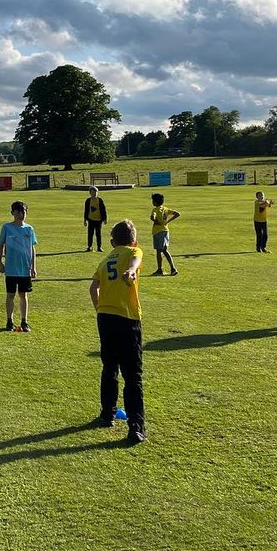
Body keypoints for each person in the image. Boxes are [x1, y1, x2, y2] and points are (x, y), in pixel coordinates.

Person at [89, 219, 146, 445]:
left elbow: (93, 287)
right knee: (133, 374)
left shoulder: (106, 259)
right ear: (133, 239)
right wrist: (131, 271)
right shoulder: (133, 251)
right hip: (126, 317)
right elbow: (135, 260)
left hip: (105, 317)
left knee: (109, 366)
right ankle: (136, 427)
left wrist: (100, 309)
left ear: (113, 241)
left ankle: (107, 414)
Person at [0, 200, 38, 332]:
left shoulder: (29, 229)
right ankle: (9, 321)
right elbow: (0, 245)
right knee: (10, 294)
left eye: (23, 212)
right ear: (12, 213)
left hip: (24, 269)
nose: (21, 214)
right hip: (11, 268)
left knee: (23, 294)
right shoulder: (7, 228)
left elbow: (32, 248)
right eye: (18, 212)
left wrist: (33, 267)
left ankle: (24, 321)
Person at [149, 193, 180, 276]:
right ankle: (173, 268)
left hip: (158, 232)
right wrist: (167, 221)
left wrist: (156, 221)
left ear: (155, 202)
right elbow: (177, 214)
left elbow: (153, 217)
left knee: (159, 251)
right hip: (165, 231)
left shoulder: (155, 210)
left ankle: (160, 269)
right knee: (165, 250)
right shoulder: (165, 209)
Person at [83, 186, 108, 252]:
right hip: (91, 219)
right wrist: (85, 220)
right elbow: (86, 211)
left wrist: (105, 219)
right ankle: (89, 247)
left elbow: (103, 210)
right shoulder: (88, 201)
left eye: (95, 192)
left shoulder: (100, 200)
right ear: (90, 193)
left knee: (98, 234)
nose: (94, 194)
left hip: (98, 220)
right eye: (92, 192)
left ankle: (99, 247)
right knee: (90, 234)